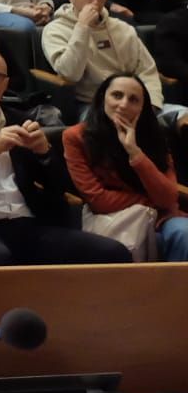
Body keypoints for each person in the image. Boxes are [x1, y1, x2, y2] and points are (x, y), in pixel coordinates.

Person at [0, 47, 131, 266]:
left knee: (113, 252)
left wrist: (44, 152)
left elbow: (61, 185)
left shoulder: (20, 120)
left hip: (29, 223)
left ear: (5, 84)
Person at [63, 73, 188, 262]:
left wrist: (135, 153)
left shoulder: (156, 136)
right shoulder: (76, 137)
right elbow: (98, 199)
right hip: (114, 219)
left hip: (161, 219)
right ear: (103, 96)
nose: (123, 105)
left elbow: (168, 198)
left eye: (133, 100)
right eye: (117, 95)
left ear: (142, 107)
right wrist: (147, 202)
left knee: (183, 233)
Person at [39, 0, 166, 110]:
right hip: (92, 105)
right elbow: (70, 74)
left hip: (136, 104)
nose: (96, 2)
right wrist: (82, 27)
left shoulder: (122, 28)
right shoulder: (55, 30)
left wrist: (153, 105)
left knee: (183, 115)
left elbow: (147, 70)